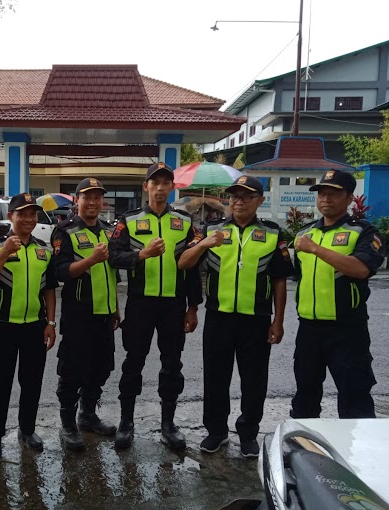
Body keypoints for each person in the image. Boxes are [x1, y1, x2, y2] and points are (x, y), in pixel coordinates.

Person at [178, 175, 294, 458]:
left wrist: (278, 320)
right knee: (215, 377)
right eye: (234, 196)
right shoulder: (211, 229)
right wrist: (205, 244)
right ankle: (216, 431)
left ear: (260, 201)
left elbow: (280, 280)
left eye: (246, 196)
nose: (239, 201)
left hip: (256, 320)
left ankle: (248, 434)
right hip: (219, 318)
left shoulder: (273, 234)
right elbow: (184, 262)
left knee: (254, 380)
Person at [108, 162, 202, 451]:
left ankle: (168, 424)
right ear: (146, 187)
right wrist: (142, 255)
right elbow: (113, 256)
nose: (160, 188)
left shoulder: (185, 222)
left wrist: (193, 307)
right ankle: (126, 422)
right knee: (133, 362)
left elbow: (194, 268)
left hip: (173, 305)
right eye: (155, 183)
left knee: (172, 364)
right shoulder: (129, 220)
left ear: (172, 187)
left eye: (166, 183)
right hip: (141, 304)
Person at [290, 170, 385, 419]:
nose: (326, 199)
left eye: (334, 193)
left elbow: (362, 268)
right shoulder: (304, 233)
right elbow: (297, 275)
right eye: (322, 193)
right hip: (309, 328)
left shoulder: (363, 232)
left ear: (350, 198)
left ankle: (359, 456)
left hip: (347, 330)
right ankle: (304, 449)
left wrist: (316, 249)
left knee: (355, 397)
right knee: (305, 395)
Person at [0, 193, 58, 460]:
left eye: (32, 214)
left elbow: (48, 288)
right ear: (11, 216)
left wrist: (50, 322)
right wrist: (3, 253)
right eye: (21, 213)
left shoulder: (43, 249)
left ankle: (28, 429)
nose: (28, 219)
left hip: (34, 327)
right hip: (3, 325)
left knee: (32, 381)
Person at [50, 178, 120, 452]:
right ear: (76, 200)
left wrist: (115, 307)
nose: (92, 203)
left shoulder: (108, 231)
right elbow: (60, 272)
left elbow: (111, 273)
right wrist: (90, 259)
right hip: (79, 315)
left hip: (104, 314)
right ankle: (68, 423)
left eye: (97, 198)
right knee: (72, 370)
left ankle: (88, 415)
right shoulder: (64, 231)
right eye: (86, 197)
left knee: (100, 367)